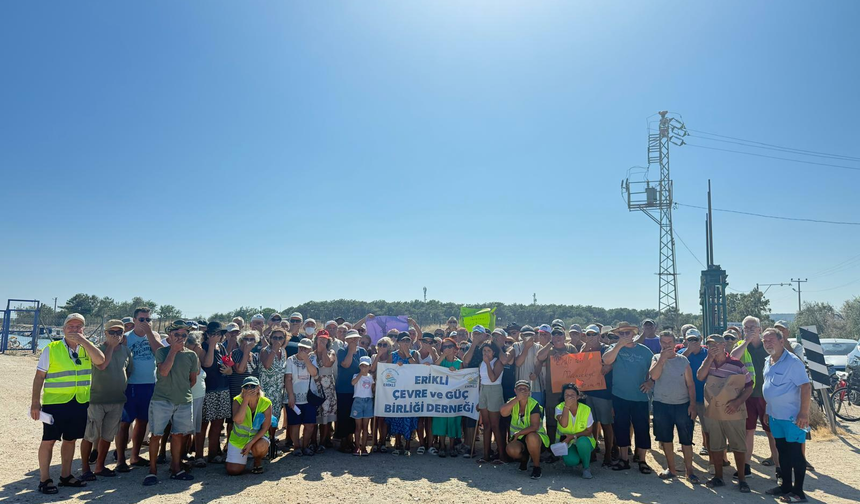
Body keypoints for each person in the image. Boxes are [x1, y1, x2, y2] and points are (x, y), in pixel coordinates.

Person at [31, 313, 106, 494]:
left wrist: (85, 342)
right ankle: (44, 479)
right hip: (55, 403)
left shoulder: (87, 349)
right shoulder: (52, 348)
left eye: (78, 327)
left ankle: (66, 476)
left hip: (79, 402)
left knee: (70, 440)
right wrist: (35, 403)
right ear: (64, 329)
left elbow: (101, 360)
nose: (74, 330)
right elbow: (39, 376)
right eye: (70, 326)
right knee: (48, 441)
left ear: (83, 330)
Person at [143, 320, 199, 486]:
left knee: (178, 435)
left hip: (183, 401)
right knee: (156, 435)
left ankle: (176, 468)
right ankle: (152, 471)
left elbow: (192, 380)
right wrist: (173, 351)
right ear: (170, 335)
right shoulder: (161, 352)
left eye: (184, 335)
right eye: (177, 335)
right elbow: (164, 371)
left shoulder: (191, 355)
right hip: (161, 400)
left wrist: (180, 390)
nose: (180, 338)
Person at [761, 328, 812, 503]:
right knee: (781, 452)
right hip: (775, 416)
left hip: (793, 418)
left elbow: (805, 387)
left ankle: (798, 492)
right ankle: (786, 486)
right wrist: (768, 410)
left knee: (796, 453)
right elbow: (769, 387)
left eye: (771, 340)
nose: (768, 344)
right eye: (765, 341)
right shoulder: (768, 361)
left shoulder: (792, 362)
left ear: (782, 342)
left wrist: (804, 413)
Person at [697, 334, 754, 493]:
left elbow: (749, 386)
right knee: (715, 445)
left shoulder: (737, 364)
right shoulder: (708, 362)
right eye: (710, 345)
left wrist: (737, 402)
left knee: (738, 445)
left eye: (716, 344)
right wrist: (709, 359)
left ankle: (742, 479)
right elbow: (700, 376)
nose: (713, 347)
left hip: (733, 411)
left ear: (724, 346)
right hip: (714, 411)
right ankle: (718, 476)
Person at [80, 319, 132, 480]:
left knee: (108, 435)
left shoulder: (126, 351)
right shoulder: (97, 350)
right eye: (112, 332)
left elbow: (129, 371)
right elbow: (102, 365)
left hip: (117, 400)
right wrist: (111, 345)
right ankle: (85, 468)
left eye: (119, 332)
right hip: (97, 399)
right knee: (90, 435)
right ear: (105, 333)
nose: (116, 336)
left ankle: (100, 466)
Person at [602, 321, 654, 474]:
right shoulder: (614, 348)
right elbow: (606, 360)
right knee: (621, 427)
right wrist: (619, 345)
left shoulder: (645, 351)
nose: (625, 336)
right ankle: (624, 459)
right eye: (622, 333)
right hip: (620, 395)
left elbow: (655, 369)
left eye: (628, 333)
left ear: (634, 334)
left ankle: (642, 460)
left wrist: (651, 381)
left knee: (642, 428)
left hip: (641, 397)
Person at [116, 307, 164, 472]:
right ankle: (121, 460)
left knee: (143, 421)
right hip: (130, 385)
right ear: (134, 320)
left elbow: (160, 353)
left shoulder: (154, 336)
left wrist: (150, 333)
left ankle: (135, 456)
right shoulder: (126, 338)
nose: (145, 323)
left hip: (149, 384)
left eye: (148, 320)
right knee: (124, 423)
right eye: (142, 319)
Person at [731, 315, 779, 478]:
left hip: (768, 396)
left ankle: (779, 469)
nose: (750, 330)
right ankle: (746, 467)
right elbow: (733, 358)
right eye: (747, 328)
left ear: (760, 329)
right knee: (748, 431)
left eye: (753, 327)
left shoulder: (768, 345)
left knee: (772, 432)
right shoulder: (740, 345)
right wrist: (746, 342)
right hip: (748, 395)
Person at [650, 330, 699, 482]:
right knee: (666, 439)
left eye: (669, 343)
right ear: (660, 343)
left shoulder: (683, 360)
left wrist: (692, 404)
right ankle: (671, 469)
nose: (666, 346)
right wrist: (662, 360)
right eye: (663, 343)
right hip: (661, 404)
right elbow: (654, 376)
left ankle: (689, 471)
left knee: (686, 439)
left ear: (674, 342)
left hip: (682, 405)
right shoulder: (656, 358)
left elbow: (690, 384)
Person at [679, 328, 725, 463]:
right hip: (686, 400)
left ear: (701, 339)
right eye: (690, 340)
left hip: (706, 399)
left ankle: (713, 461)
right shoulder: (681, 354)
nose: (693, 342)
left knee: (709, 432)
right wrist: (688, 350)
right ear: (685, 341)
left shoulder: (708, 354)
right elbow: (676, 363)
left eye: (696, 339)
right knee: (686, 431)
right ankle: (688, 463)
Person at [536, 325, 579, 444]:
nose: (557, 336)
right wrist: (551, 344)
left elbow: (579, 366)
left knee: (569, 417)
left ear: (564, 336)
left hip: (568, 391)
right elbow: (539, 357)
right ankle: (551, 447)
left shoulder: (571, 348)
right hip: (552, 391)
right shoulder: (548, 349)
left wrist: (566, 357)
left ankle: (567, 444)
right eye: (554, 334)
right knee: (551, 419)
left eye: (560, 334)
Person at [581, 324, 615, 467]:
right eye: (588, 334)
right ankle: (593, 450)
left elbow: (609, 365)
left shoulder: (606, 349)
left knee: (606, 424)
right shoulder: (584, 350)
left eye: (594, 334)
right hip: (588, 392)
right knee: (592, 424)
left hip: (603, 393)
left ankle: (608, 453)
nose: (591, 337)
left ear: (599, 336)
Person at [501, 380, 549, 480]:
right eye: (520, 389)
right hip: (519, 438)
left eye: (525, 389)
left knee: (531, 437)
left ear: (529, 391)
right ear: (515, 391)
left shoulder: (533, 404)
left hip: (536, 437)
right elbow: (503, 412)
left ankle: (536, 467)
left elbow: (535, 426)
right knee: (511, 450)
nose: (522, 391)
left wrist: (519, 434)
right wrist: (517, 399)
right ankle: (525, 458)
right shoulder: (512, 401)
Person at [199, 323, 232, 465]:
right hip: (208, 390)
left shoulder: (222, 347)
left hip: (222, 389)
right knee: (203, 425)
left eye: (219, 334)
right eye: (214, 334)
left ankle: (212, 454)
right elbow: (207, 364)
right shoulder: (202, 347)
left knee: (218, 424)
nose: (217, 336)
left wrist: (229, 371)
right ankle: (199, 456)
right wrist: (211, 345)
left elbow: (228, 366)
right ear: (207, 334)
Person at [226, 377, 272, 475]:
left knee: (260, 445)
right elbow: (238, 420)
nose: (250, 389)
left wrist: (250, 443)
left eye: (253, 386)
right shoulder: (237, 400)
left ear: (259, 388)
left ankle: (257, 461)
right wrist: (245, 400)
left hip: (257, 438)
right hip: (239, 439)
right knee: (233, 470)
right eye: (247, 386)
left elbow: (265, 427)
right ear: (243, 389)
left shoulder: (266, 402)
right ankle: (243, 458)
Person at [336, 327, 368, 452]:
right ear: (347, 340)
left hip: (359, 390)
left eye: (356, 338)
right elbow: (346, 364)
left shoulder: (363, 352)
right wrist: (350, 351)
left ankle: (353, 441)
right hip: (344, 389)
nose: (354, 340)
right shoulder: (341, 351)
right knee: (344, 415)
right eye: (351, 339)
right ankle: (344, 441)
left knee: (355, 416)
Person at [387, 332, 420, 455]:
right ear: (398, 342)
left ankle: (407, 444)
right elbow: (388, 372)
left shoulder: (414, 354)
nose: (406, 343)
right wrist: (396, 367)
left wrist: (407, 354)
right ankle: (397, 443)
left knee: (409, 417)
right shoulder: (392, 355)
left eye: (408, 340)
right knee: (397, 416)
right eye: (403, 340)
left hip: (410, 391)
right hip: (397, 391)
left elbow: (416, 368)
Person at [555, 383, 596, 479]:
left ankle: (586, 467)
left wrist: (573, 436)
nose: (569, 397)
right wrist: (566, 407)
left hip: (583, 440)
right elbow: (564, 424)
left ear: (578, 397)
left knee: (582, 442)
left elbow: (589, 431)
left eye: (572, 395)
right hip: (568, 443)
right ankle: (580, 456)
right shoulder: (559, 407)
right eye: (567, 395)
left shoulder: (586, 409)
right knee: (571, 461)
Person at [286, 338, 319, 456]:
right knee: (295, 424)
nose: (302, 349)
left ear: (310, 349)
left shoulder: (312, 359)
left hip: (309, 397)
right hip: (294, 396)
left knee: (310, 424)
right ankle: (296, 446)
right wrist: (290, 396)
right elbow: (288, 378)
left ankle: (305, 446)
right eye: (301, 347)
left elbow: (314, 373)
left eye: (306, 348)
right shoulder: (290, 360)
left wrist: (306, 359)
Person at [259, 326, 288, 455]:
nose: (277, 340)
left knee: (275, 418)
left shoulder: (284, 352)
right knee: (264, 419)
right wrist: (274, 350)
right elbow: (267, 365)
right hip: (265, 391)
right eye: (275, 337)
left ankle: (271, 444)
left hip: (278, 391)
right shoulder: (265, 351)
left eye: (280, 337)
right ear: (270, 339)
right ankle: (262, 447)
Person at [432, 338, 463, 458]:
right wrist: (442, 355)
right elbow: (435, 367)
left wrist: (455, 373)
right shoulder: (441, 360)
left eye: (450, 346)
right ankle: (442, 445)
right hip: (440, 397)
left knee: (453, 421)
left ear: (455, 348)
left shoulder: (459, 363)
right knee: (441, 420)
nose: (447, 348)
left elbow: (463, 379)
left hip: (454, 397)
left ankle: (451, 446)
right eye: (444, 347)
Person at [477, 341, 506, 464]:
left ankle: (502, 455)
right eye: (484, 351)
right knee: (486, 425)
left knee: (495, 425)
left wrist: (488, 363)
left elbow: (493, 378)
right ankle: (486, 454)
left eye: (488, 351)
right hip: (484, 391)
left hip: (494, 391)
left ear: (493, 352)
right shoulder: (481, 364)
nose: (486, 353)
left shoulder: (497, 362)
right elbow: (481, 380)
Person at [313, 330, 337, 452]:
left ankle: (322, 442)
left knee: (325, 417)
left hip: (327, 388)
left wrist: (322, 351)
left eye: (325, 339)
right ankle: (312, 442)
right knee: (314, 416)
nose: (322, 341)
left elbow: (327, 363)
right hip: (314, 386)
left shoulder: (331, 352)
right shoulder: (311, 354)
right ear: (316, 339)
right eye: (320, 338)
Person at [184, 332, 207, 465]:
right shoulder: (185, 355)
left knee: (197, 427)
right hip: (187, 395)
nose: (196, 346)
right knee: (185, 428)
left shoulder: (196, 355)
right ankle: (182, 455)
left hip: (198, 395)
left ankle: (198, 455)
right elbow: (196, 371)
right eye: (193, 343)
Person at [513, 325, 543, 407]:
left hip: (535, 386)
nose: (528, 337)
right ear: (521, 336)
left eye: (530, 335)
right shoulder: (516, 346)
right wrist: (526, 348)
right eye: (526, 335)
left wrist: (536, 374)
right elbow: (518, 363)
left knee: (536, 410)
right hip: (520, 385)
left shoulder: (539, 347)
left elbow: (539, 364)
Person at [351, 356, 375, 456]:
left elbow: (373, 389)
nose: (364, 368)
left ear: (370, 367)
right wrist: (360, 374)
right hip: (358, 401)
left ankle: (364, 447)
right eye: (362, 366)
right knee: (358, 427)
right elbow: (353, 383)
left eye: (366, 366)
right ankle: (357, 446)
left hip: (368, 401)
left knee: (365, 427)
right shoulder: (356, 375)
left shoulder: (371, 377)